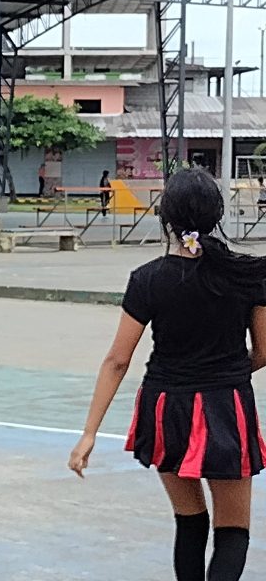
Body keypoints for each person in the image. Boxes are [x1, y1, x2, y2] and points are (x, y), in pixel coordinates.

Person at [69, 167, 266, 581]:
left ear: (165, 217)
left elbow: (117, 360)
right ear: (218, 215)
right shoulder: (247, 274)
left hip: (166, 408)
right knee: (232, 531)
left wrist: (89, 432)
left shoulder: (147, 279)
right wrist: (226, 371)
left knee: (189, 522)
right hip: (226, 408)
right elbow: (265, 351)